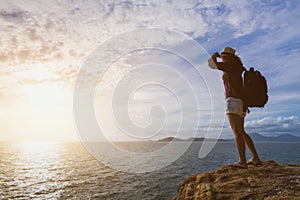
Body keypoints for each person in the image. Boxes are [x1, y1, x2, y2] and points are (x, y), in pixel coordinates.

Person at [208, 47, 261, 169]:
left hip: (232, 101)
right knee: (241, 131)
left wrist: (214, 56)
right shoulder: (236, 66)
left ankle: (242, 162)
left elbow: (211, 65)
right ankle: (256, 158)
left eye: (223, 56)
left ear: (226, 56)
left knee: (237, 131)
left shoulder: (229, 65)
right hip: (241, 102)